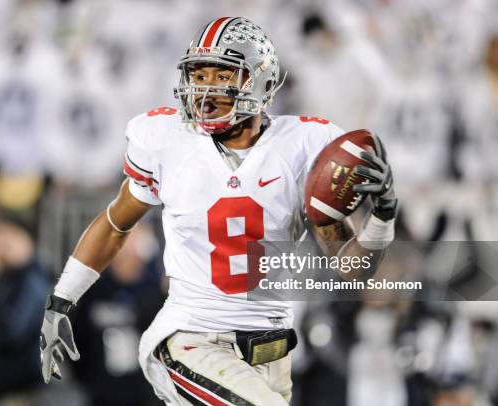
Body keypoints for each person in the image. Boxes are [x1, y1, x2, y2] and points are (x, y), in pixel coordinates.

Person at [40, 17, 397, 405]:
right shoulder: (167, 140)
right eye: (199, 73)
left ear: (258, 80)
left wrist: (382, 215)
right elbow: (114, 225)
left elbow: (353, 268)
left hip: (272, 353)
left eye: (221, 74)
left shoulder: (303, 146)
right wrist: (61, 301)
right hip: (191, 341)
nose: (205, 89)